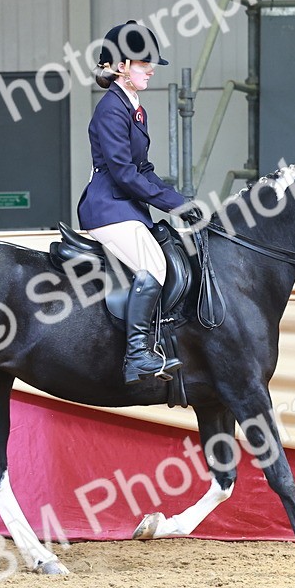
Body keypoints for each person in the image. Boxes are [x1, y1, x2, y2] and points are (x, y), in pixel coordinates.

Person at [76, 20, 202, 384]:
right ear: (121, 67)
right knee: (154, 266)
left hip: (126, 206)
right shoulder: (111, 110)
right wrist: (173, 206)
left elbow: (143, 168)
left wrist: (180, 201)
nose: (151, 69)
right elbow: (124, 173)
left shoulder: (133, 107)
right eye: (143, 63)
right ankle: (137, 356)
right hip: (108, 207)